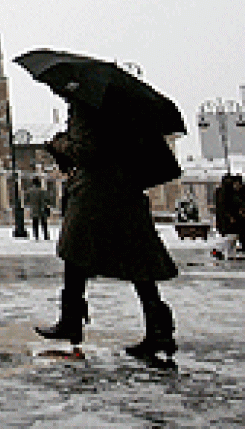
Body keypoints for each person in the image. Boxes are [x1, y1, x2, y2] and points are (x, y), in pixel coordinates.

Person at [35, 99, 180, 364]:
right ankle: (159, 330)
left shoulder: (86, 108)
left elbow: (86, 151)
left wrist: (59, 144)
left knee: (75, 252)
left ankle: (71, 321)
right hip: (125, 191)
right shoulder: (125, 110)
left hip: (95, 194)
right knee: (139, 264)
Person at [212, 172, 243, 261]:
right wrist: (230, 216)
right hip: (228, 219)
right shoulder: (227, 192)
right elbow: (225, 206)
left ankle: (223, 250)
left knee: (230, 236)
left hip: (225, 218)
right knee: (232, 236)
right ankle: (222, 250)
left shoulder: (221, 191)